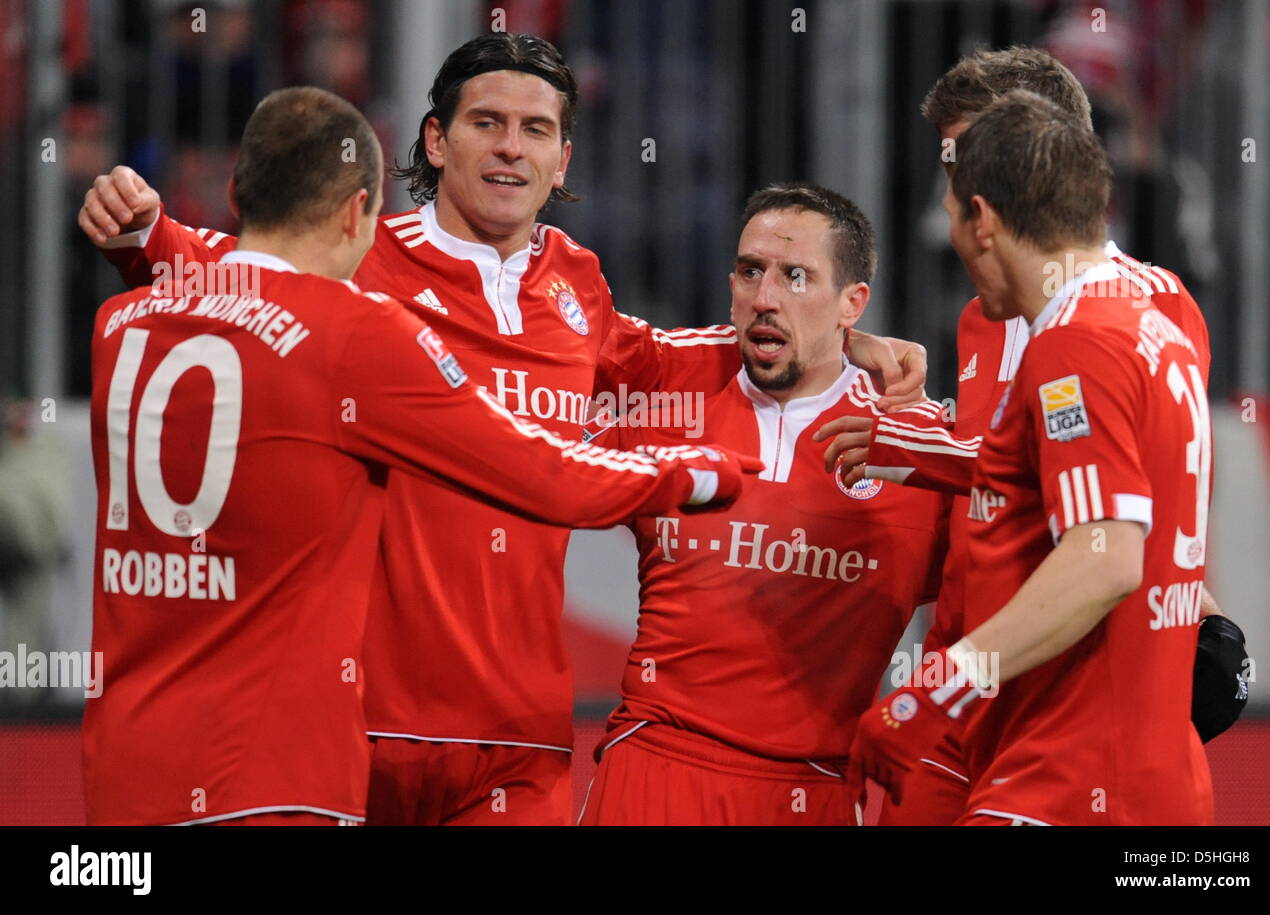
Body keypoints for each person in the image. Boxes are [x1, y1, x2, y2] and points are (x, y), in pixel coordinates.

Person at [79, 33, 928, 825]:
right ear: (437, 141)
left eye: (536, 130)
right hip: (364, 717)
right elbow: (235, 269)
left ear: (564, 159)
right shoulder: (355, 260)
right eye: (486, 124)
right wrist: (144, 233)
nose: (511, 148)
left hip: (518, 739)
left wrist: (850, 340)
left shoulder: (577, 286)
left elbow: (688, 351)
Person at [817, 46, 1247, 826]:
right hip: (996, 689)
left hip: (1060, 709)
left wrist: (940, 680)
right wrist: (919, 443)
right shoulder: (1008, 317)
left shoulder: (1101, 324)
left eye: (974, 159)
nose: (954, 189)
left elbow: (1111, 534)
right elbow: (1049, 470)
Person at [578, 183, 947, 825]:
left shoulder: (919, 447)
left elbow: (998, 595)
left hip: (816, 791)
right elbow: (534, 374)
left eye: (796, 276)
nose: (765, 298)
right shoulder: (668, 389)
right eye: (751, 272)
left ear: (852, 302)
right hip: (654, 767)